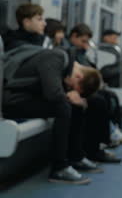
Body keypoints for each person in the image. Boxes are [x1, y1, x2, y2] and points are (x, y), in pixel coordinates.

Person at [2, 49, 102, 184]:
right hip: (10, 99)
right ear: (79, 77)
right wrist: (69, 95)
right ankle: (59, 168)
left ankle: (75, 156)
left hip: (23, 97)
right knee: (63, 107)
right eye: (72, 86)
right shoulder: (56, 57)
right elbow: (53, 93)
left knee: (73, 105)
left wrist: (72, 97)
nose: (69, 86)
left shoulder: (62, 63)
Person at [68, 24, 122, 159]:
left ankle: (109, 134)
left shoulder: (80, 52)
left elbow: (90, 68)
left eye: (87, 42)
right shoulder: (69, 51)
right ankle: (95, 148)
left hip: (81, 83)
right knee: (98, 100)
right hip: (75, 86)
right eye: (83, 41)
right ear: (73, 37)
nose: (85, 45)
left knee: (108, 95)